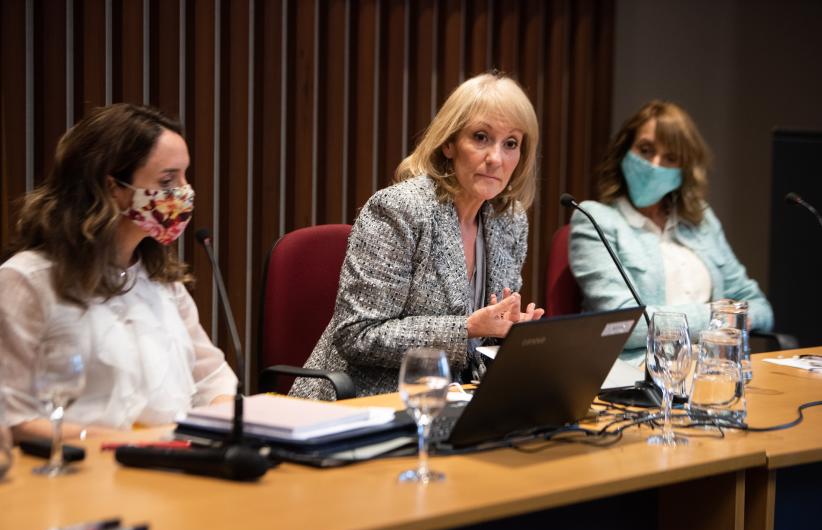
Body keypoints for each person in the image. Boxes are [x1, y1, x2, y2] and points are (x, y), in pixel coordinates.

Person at [290, 72, 544, 400]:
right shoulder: (399, 210)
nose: (496, 158)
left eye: (511, 143)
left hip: (453, 402)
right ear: (449, 143)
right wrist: (468, 328)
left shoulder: (508, 221)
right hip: (362, 404)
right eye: (481, 137)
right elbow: (357, 334)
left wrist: (509, 333)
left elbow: (479, 349)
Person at [0, 103, 238, 439]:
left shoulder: (162, 281)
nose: (185, 192)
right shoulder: (26, 281)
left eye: (185, 176)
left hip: (172, 470)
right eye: (168, 179)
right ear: (113, 187)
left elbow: (212, 377)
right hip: (78, 473)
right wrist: (127, 443)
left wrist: (216, 426)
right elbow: (12, 417)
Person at [569, 100, 773, 363]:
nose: (655, 164)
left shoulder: (701, 219)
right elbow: (626, 326)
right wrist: (719, 317)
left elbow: (760, 307)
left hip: (716, 372)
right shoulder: (595, 219)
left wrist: (719, 318)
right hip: (642, 377)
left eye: (670, 158)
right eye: (645, 150)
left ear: (683, 170)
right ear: (624, 152)